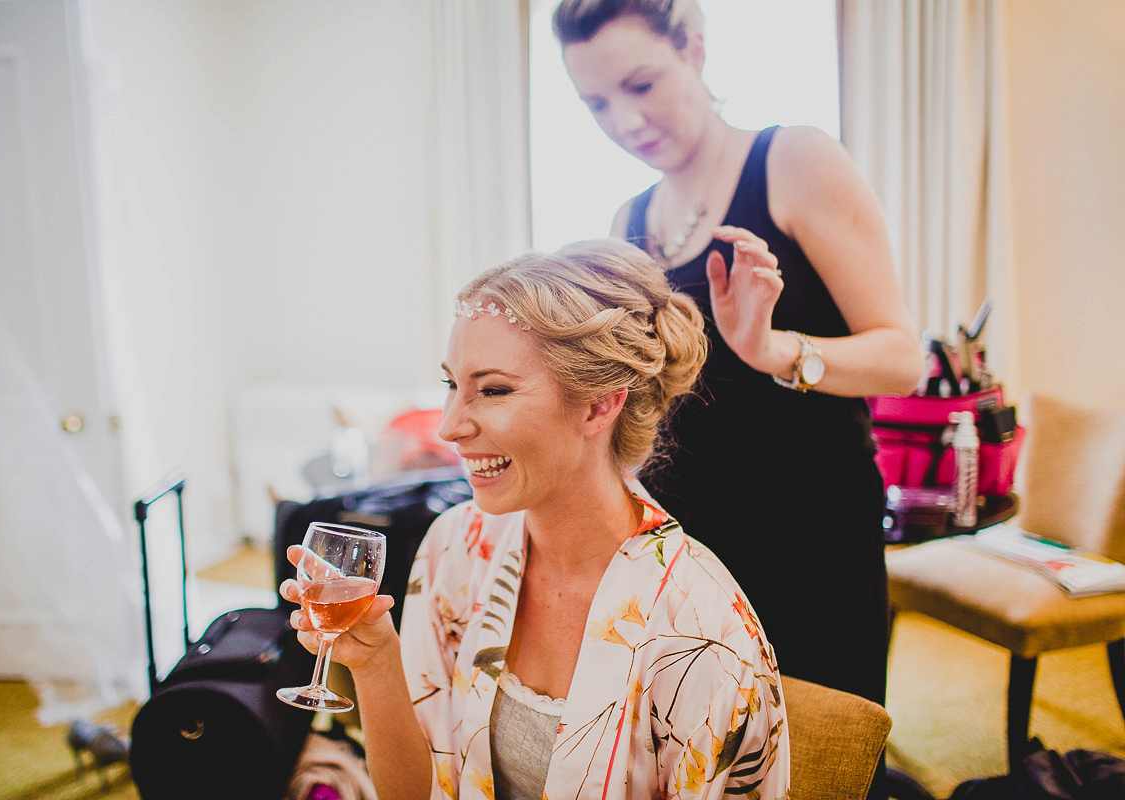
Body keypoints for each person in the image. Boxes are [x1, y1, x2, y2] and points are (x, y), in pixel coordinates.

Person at [282, 238, 790, 800]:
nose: (450, 427)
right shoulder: (457, 547)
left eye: (493, 390)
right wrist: (377, 663)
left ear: (600, 404)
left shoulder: (703, 635)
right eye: (453, 385)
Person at [552, 0, 923, 710]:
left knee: (817, 750)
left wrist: (773, 350)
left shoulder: (794, 160)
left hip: (808, 522)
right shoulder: (626, 221)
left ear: (693, 48)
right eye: (596, 103)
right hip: (684, 538)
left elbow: (902, 357)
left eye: (641, 85)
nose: (625, 122)